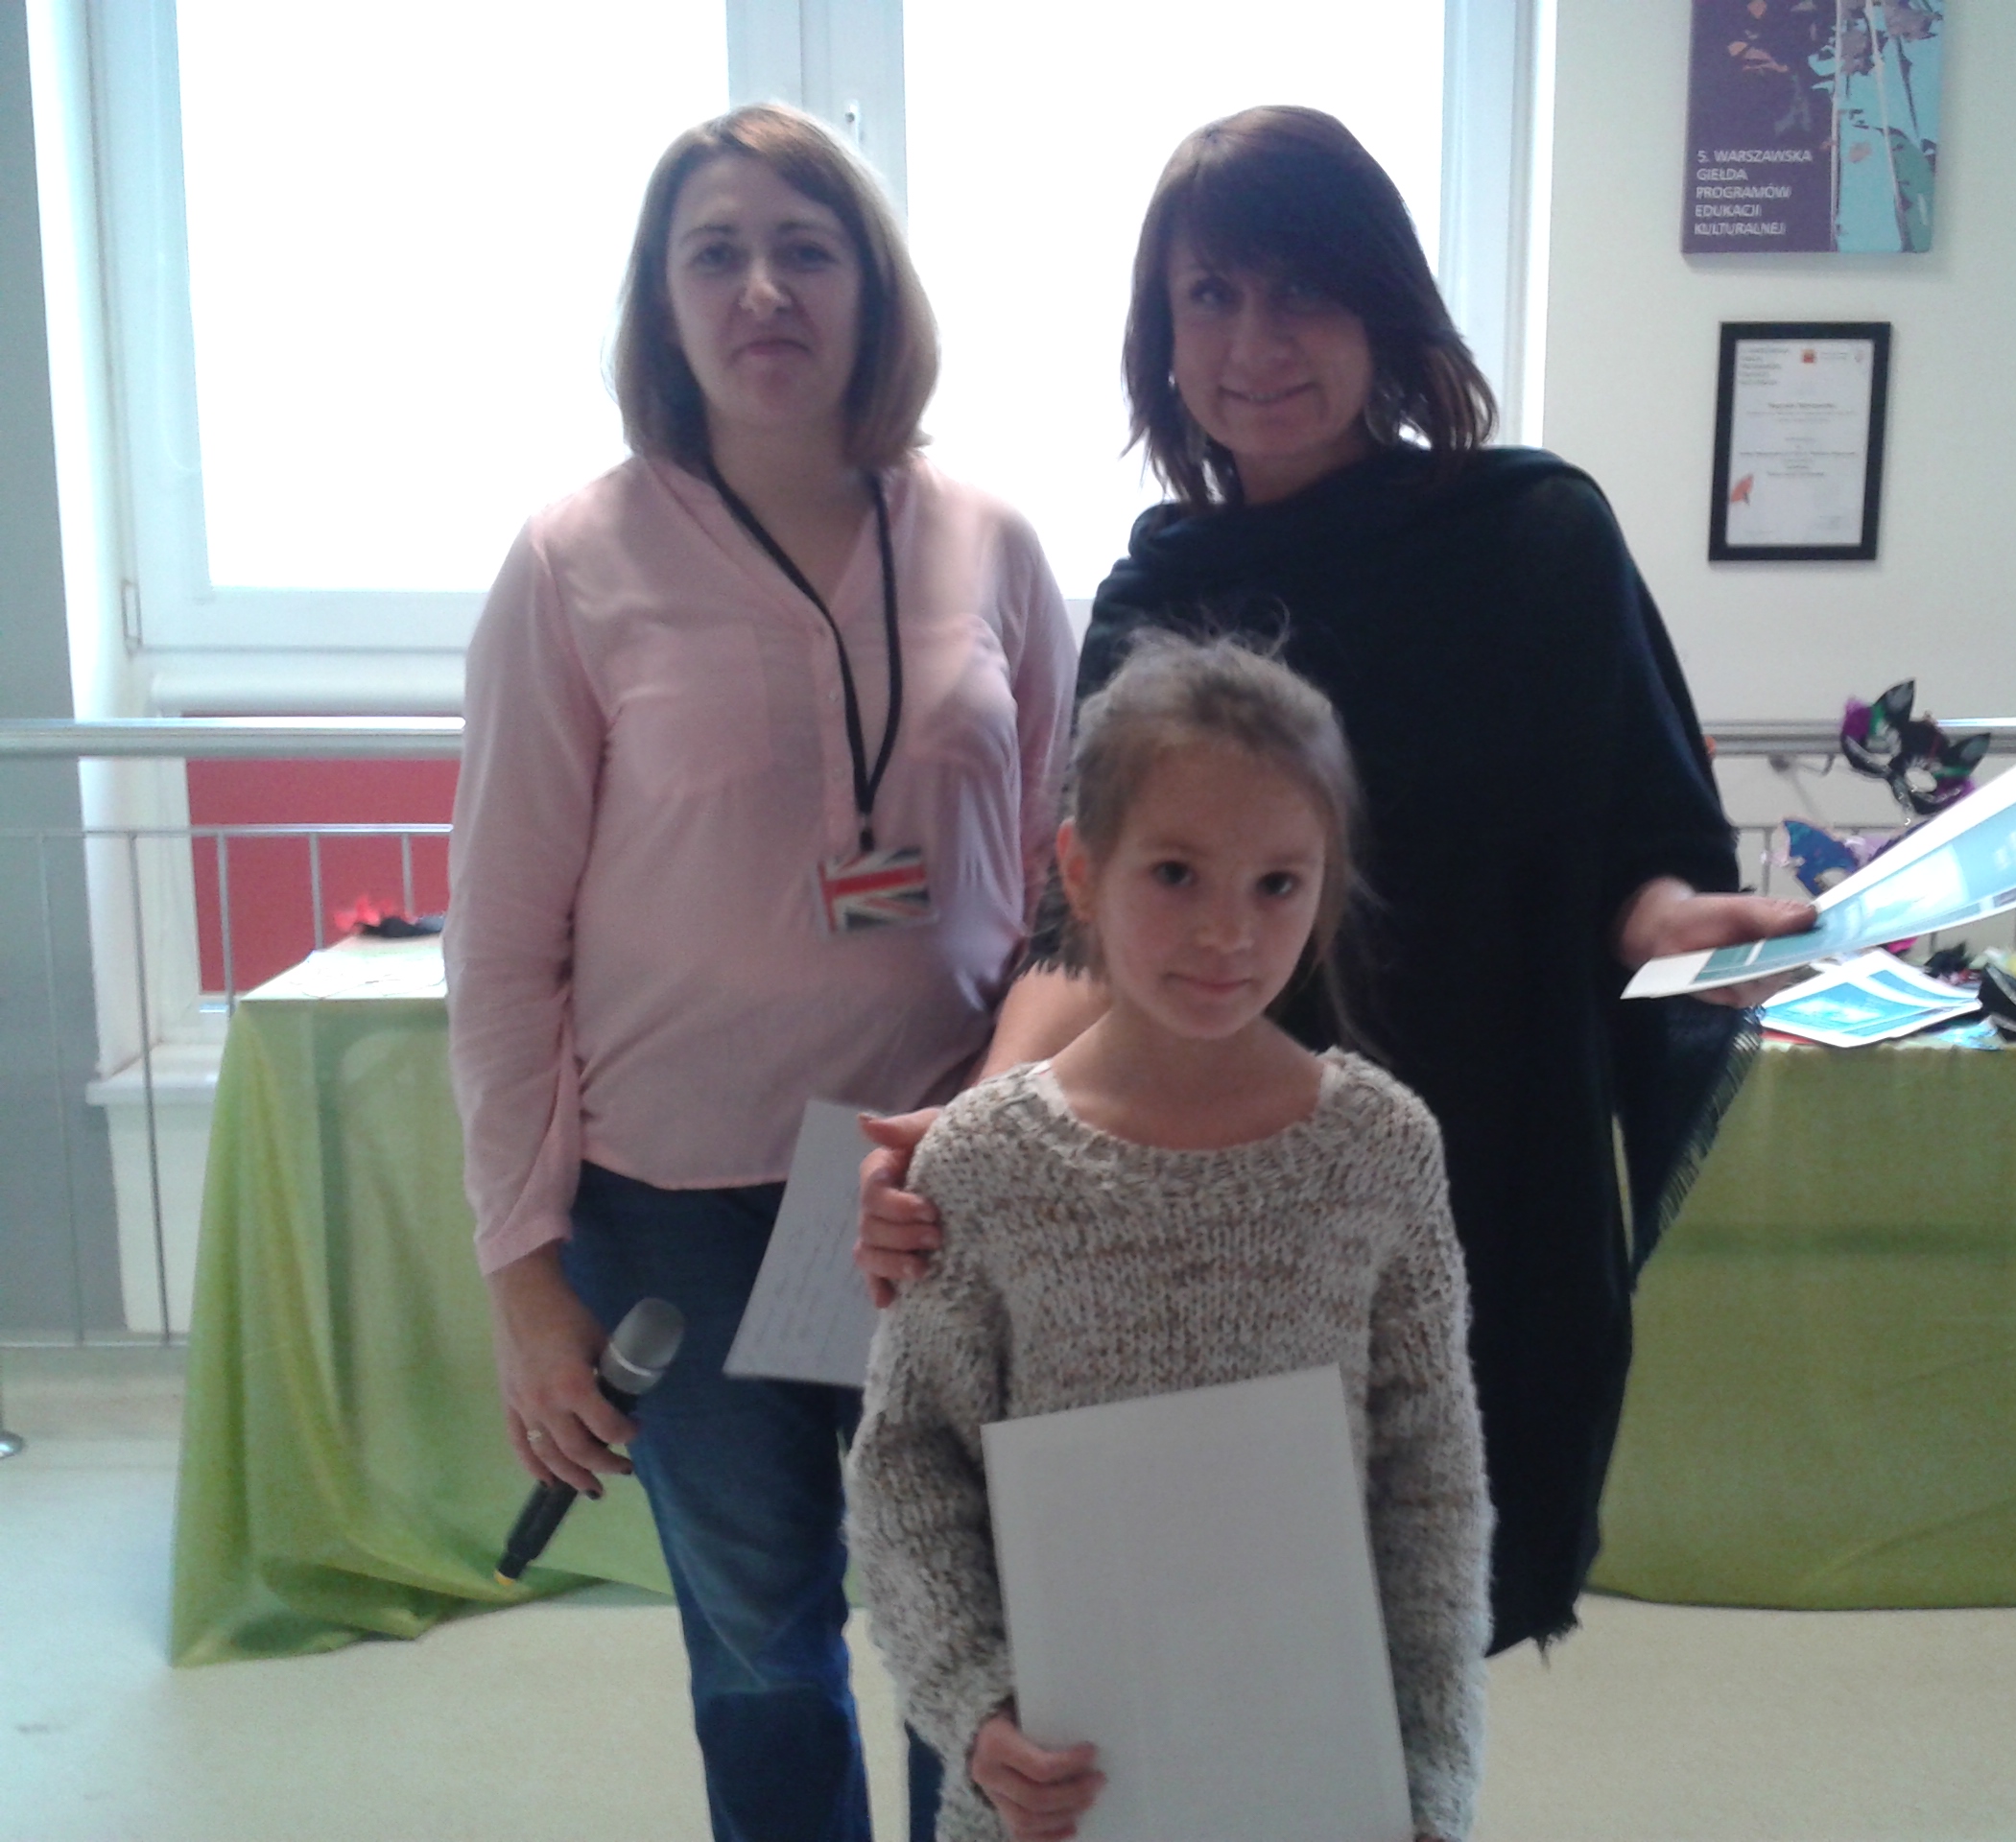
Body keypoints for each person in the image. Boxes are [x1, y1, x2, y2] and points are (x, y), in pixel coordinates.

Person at [857, 106, 1811, 1656]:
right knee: (1216, 1639)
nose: (1256, 343)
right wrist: (967, 1128)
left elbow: (1635, 854)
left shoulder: (1537, 538)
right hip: (1204, 1205)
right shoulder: (1158, 592)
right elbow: (1085, 931)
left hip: (1475, 1190)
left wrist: (1678, 928)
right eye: (1210, 296)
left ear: (1383, 305)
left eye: (1301, 289)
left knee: (1417, 1623)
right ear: (1161, 338)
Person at [445, 104, 1075, 1842]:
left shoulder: (993, 543)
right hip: (676, 1207)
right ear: (662, 302)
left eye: (808, 248)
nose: (764, 289)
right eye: (714, 253)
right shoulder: (574, 562)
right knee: (760, 1633)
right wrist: (522, 1279)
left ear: (875, 288)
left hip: (942, 1181)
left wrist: (1013, 1117)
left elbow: (1061, 881)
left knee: (979, 1622)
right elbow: (499, 949)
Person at [846, 634, 1490, 1842]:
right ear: (1081, 872)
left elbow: (1430, 1490)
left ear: (1326, 886)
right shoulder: (984, 1165)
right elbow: (909, 1466)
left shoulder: (1379, 1150)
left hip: (1313, 1779)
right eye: (1177, 874)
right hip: (1061, 1792)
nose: (1226, 934)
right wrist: (973, 1707)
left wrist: (1433, 1783)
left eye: (1277, 884)